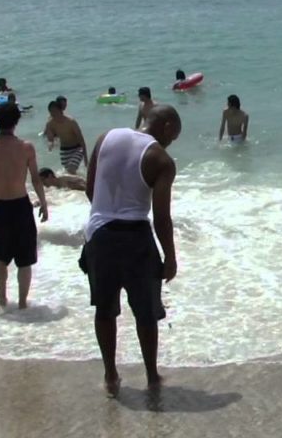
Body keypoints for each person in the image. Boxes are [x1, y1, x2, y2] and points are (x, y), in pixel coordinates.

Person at [82, 105, 182, 396]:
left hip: (99, 235)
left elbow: (90, 190)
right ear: (165, 127)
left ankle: (111, 376)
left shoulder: (105, 138)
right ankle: (152, 377)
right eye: (173, 136)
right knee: (146, 313)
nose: (170, 142)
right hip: (136, 238)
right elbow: (162, 217)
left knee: (104, 308)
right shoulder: (160, 158)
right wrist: (170, 257)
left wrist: (107, 210)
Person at [0, 103, 49, 309]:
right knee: (24, 259)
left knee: (0, 256)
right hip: (20, 206)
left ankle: (2, 299)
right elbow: (36, 179)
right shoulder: (26, 147)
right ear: (17, 121)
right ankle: (22, 303)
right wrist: (44, 203)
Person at [45, 100, 88, 175]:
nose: (53, 113)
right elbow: (50, 139)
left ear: (60, 110)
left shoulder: (71, 121)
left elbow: (81, 139)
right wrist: (50, 144)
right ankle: (80, 182)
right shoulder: (50, 124)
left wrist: (85, 158)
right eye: (51, 112)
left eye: (55, 111)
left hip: (77, 149)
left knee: (71, 169)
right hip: (64, 151)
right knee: (70, 172)